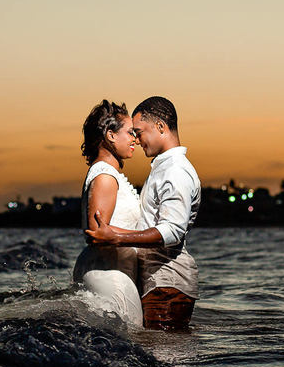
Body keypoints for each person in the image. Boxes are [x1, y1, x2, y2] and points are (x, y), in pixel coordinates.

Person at [86, 96, 201, 330]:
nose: (137, 140)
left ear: (160, 127)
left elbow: (172, 231)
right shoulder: (164, 168)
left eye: (139, 132)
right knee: (158, 358)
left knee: (165, 359)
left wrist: (118, 238)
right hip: (157, 281)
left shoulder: (176, 171)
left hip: (168, 281)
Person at [71, 99, 144, 327]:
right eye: (130, 132)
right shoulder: (105, 176)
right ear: (111, 135)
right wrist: (154, 236)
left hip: (112, 270)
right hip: (108, 275)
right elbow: (97, 233)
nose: (136, 139)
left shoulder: (107, 173)